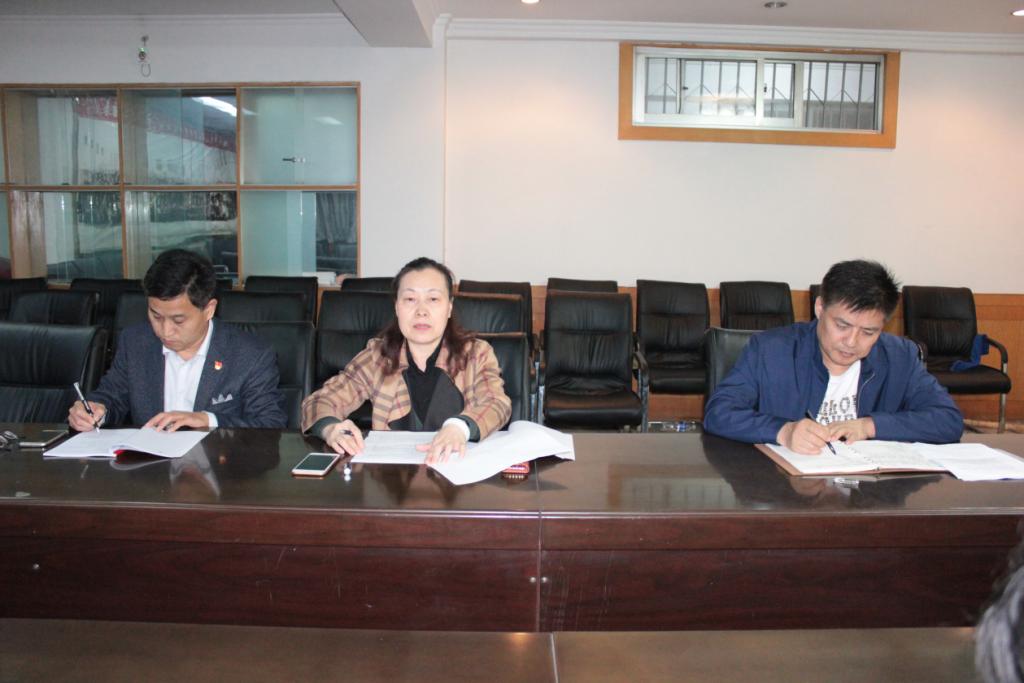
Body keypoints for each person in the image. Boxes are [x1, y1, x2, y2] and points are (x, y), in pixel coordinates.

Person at [703, 260, 963, 453]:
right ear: (820, 308)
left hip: (869, 495)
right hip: (786, 491)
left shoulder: (899, 357)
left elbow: (948, 421)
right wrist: (783, 431)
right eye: (842, 326)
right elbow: (719, 412)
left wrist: (869, 426)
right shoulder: (770, 351)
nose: (851, 342)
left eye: (868, 332)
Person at [301, 257, 512, 463]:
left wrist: (460, 428)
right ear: (396, 307)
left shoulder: (475, 353)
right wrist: (330, 428)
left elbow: (496, 403)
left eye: (433, 299)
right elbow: (320, 401)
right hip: (393, 478)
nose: (421, 311)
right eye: (410, 299)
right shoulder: (378, 356)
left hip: (459, 472)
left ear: (449, 308)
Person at [68, 249, 287, 432]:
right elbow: (111, 396)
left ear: (209, 309)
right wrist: (96, 410)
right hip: (150, 466)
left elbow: (270, 425)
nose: (165, 331)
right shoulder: (135, 342)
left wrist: (208, 420)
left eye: (178, 320)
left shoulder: (250, 355)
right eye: (156, 316)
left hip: (218, 467)